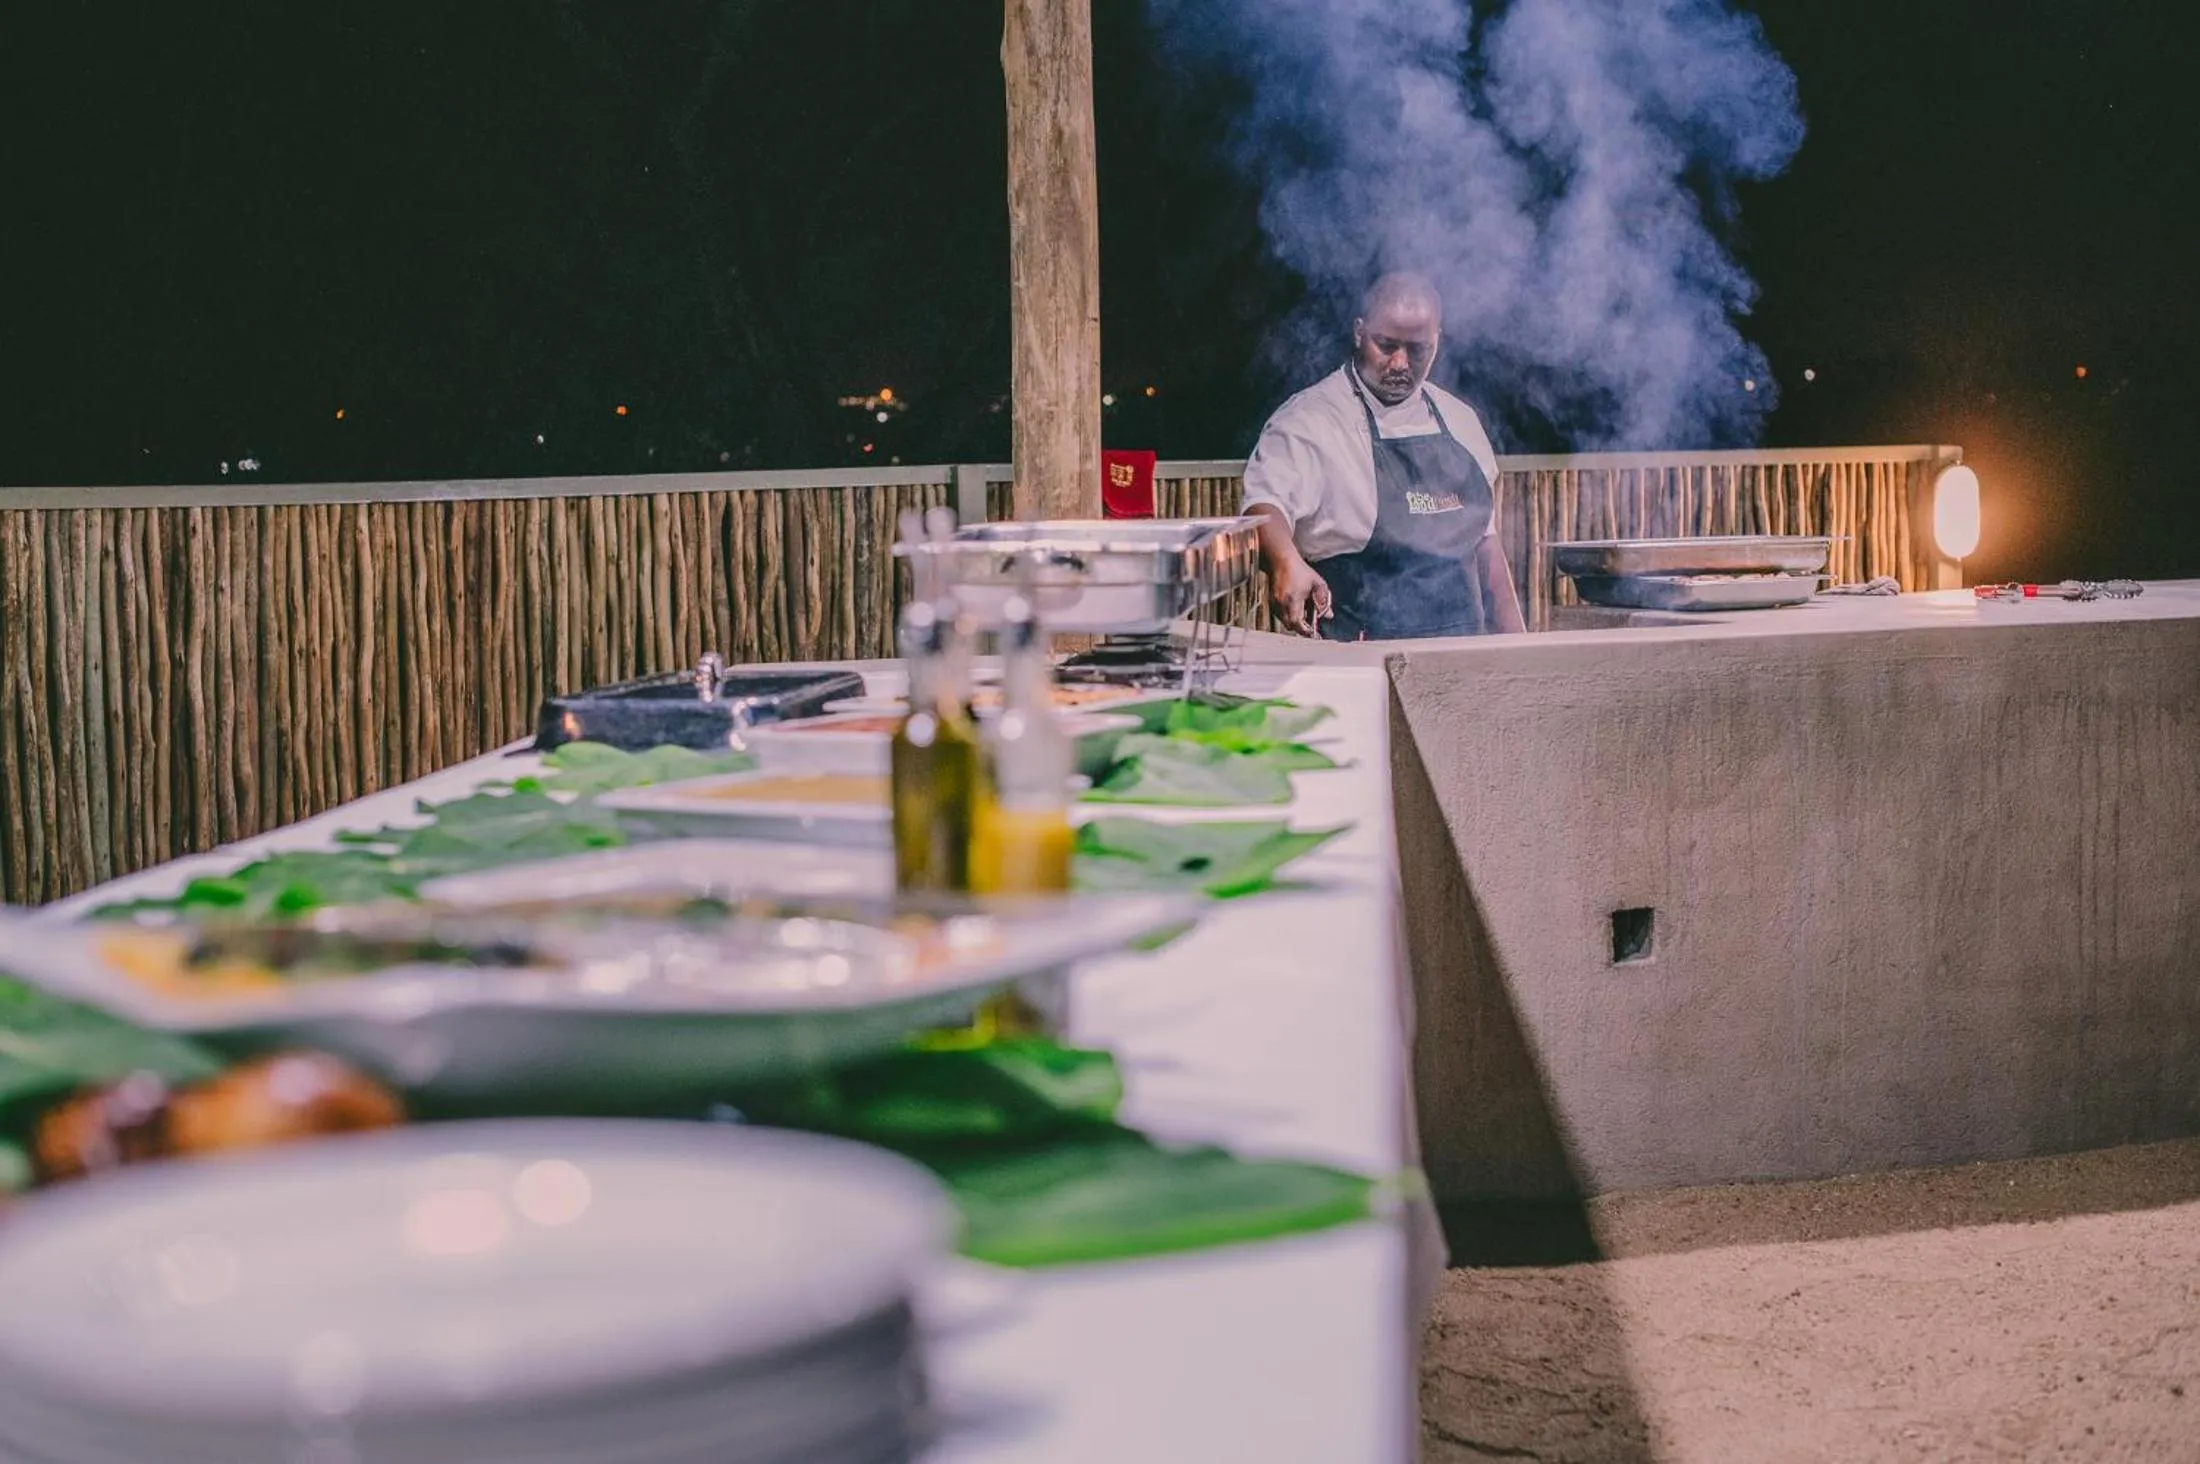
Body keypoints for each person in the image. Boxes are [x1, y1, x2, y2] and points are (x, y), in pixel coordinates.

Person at [1242, 272, 1526, 639]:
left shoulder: (1460, 421)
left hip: (1463, 661)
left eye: (1417, 349)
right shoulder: (1311, 420)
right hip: (1357, 663)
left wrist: (1521, 647)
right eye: (1387, 345)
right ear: (1359, 332)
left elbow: (1487, 549)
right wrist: (1284, 561)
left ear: (1437, 341)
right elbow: (1264, 506)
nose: (1400, 364)